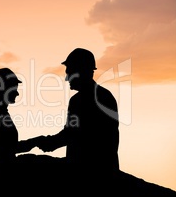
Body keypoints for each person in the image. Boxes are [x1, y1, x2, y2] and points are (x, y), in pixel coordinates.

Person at [34, 48, 120, 177]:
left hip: (86, 172)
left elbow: (71, 134)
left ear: (81, 71)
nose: (67, 78)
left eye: (69, 73)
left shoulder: (79, 101)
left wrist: (41, 142)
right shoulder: (105, 96)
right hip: (106, 168)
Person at [0, 68, 41, 177]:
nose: (17, 93)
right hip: (1, 170)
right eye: (14, 88)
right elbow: (8, 148)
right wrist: (35, 142)